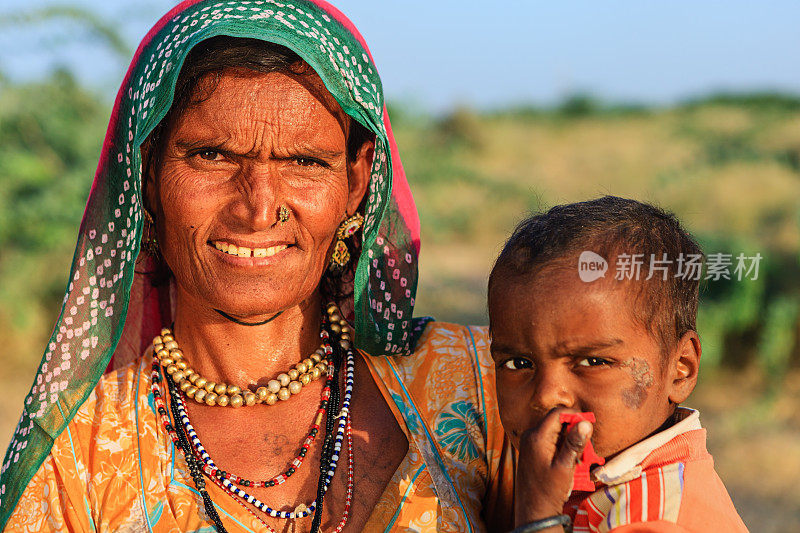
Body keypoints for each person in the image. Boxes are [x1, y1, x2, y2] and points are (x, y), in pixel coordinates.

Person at [0, 1, 513, 531]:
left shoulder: (482, 381)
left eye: (304, 162)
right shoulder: (79, 452)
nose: (259, 206)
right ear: (147, 173)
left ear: (356, 183)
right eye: (211, 155)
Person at [487, 196, 748, 532]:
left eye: (593, 361)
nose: (547, 396)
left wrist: (539, 517)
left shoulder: (657, 514)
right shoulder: (593, 480)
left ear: (681, 368)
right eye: (518, 363)